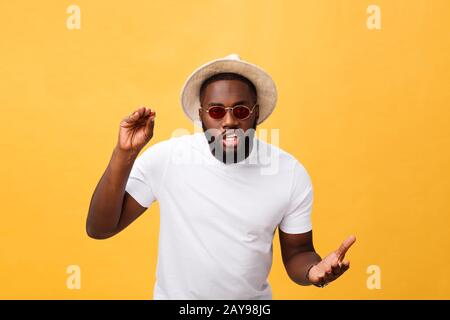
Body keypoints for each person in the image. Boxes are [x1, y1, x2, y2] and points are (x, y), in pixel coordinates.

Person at [86, 54, 356, 299]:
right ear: (201, 116)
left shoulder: (289, 173)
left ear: (256, 113)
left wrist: (313, 271)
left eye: (240, 111)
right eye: (216, 111)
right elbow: (100, 228)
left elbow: (298, 252)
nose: (228, 121)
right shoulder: (166, 159)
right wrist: (124, 154)